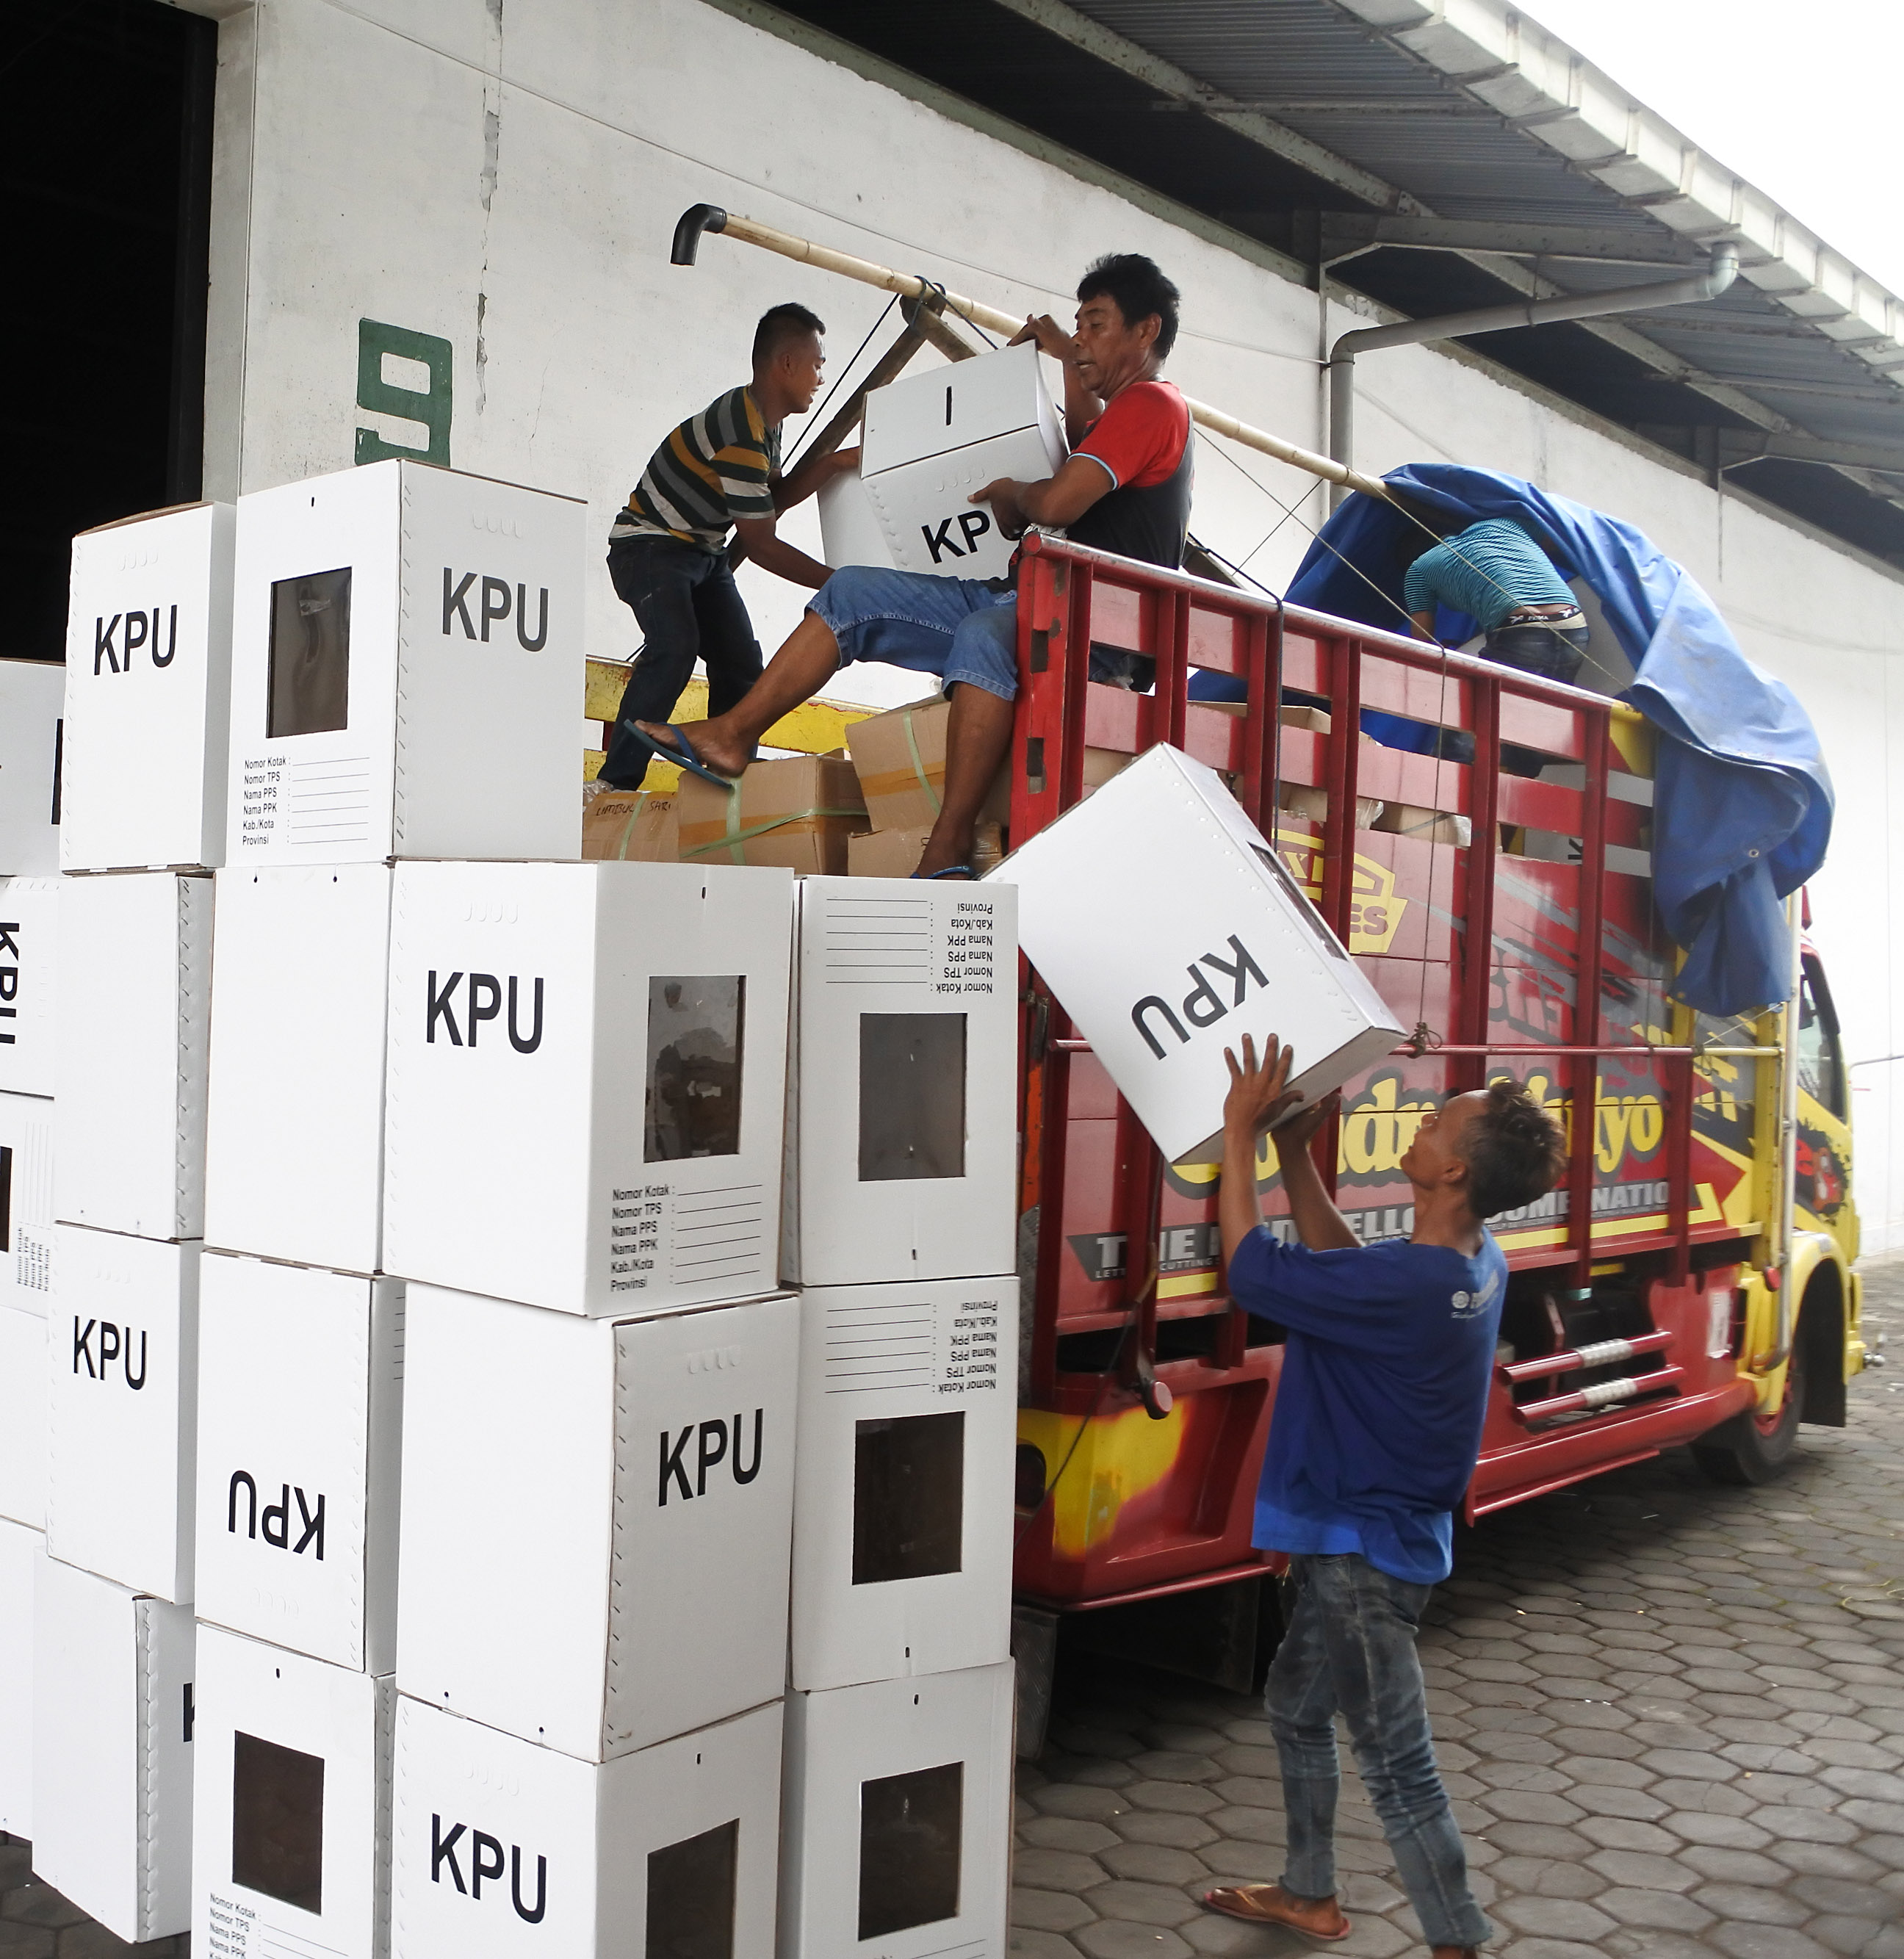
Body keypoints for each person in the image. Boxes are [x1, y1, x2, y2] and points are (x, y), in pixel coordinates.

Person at [624, 253, 1191, 878]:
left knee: (981, 636)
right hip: (1027, 604)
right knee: (852, 591)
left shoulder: (1156, 406)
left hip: (1088, 633)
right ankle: (731, 735)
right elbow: (1081, 426)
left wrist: (1010, 492)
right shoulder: (1119, 418)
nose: (1082, 340)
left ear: (1147, 332)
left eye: (1097, 325)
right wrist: (1063, 353)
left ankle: (947, 846)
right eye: (1079, 324)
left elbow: (1056, 499)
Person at [1198, 1036, 1569, 1959]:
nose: (1424, 1116)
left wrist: (1238, 1136)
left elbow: (1251, 1272)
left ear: (1448, 1167)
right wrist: (1293, 1153)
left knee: (1398, 1766)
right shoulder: (1471, 1264)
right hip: (1367, 1538)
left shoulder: (1411, 1282)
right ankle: (1308, 1895)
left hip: (1361, 1556)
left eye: (1439, 1119)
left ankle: (1457, 1941)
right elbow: (1345, 1271)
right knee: (1294, 1708)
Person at [593, 303, 863, 790]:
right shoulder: (739, 427)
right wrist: (840, 582)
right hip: (649, 546)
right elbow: (760, 544)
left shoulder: (765, 422)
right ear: (786, 365)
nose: (820, 376)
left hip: (701, 552)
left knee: (740, 662)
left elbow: (767, 502)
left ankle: (724, 774)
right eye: (817, 364)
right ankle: (614, 782)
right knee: (675, 647)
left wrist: (833, 464)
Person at [1405, 516, 1590, 685]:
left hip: (1521, 629)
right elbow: (1558, 537)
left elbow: (1422, 643)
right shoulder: (1501, 524)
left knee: (1478, 701)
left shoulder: (1418, 569)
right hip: (1574, 623)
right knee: (1553, 707)